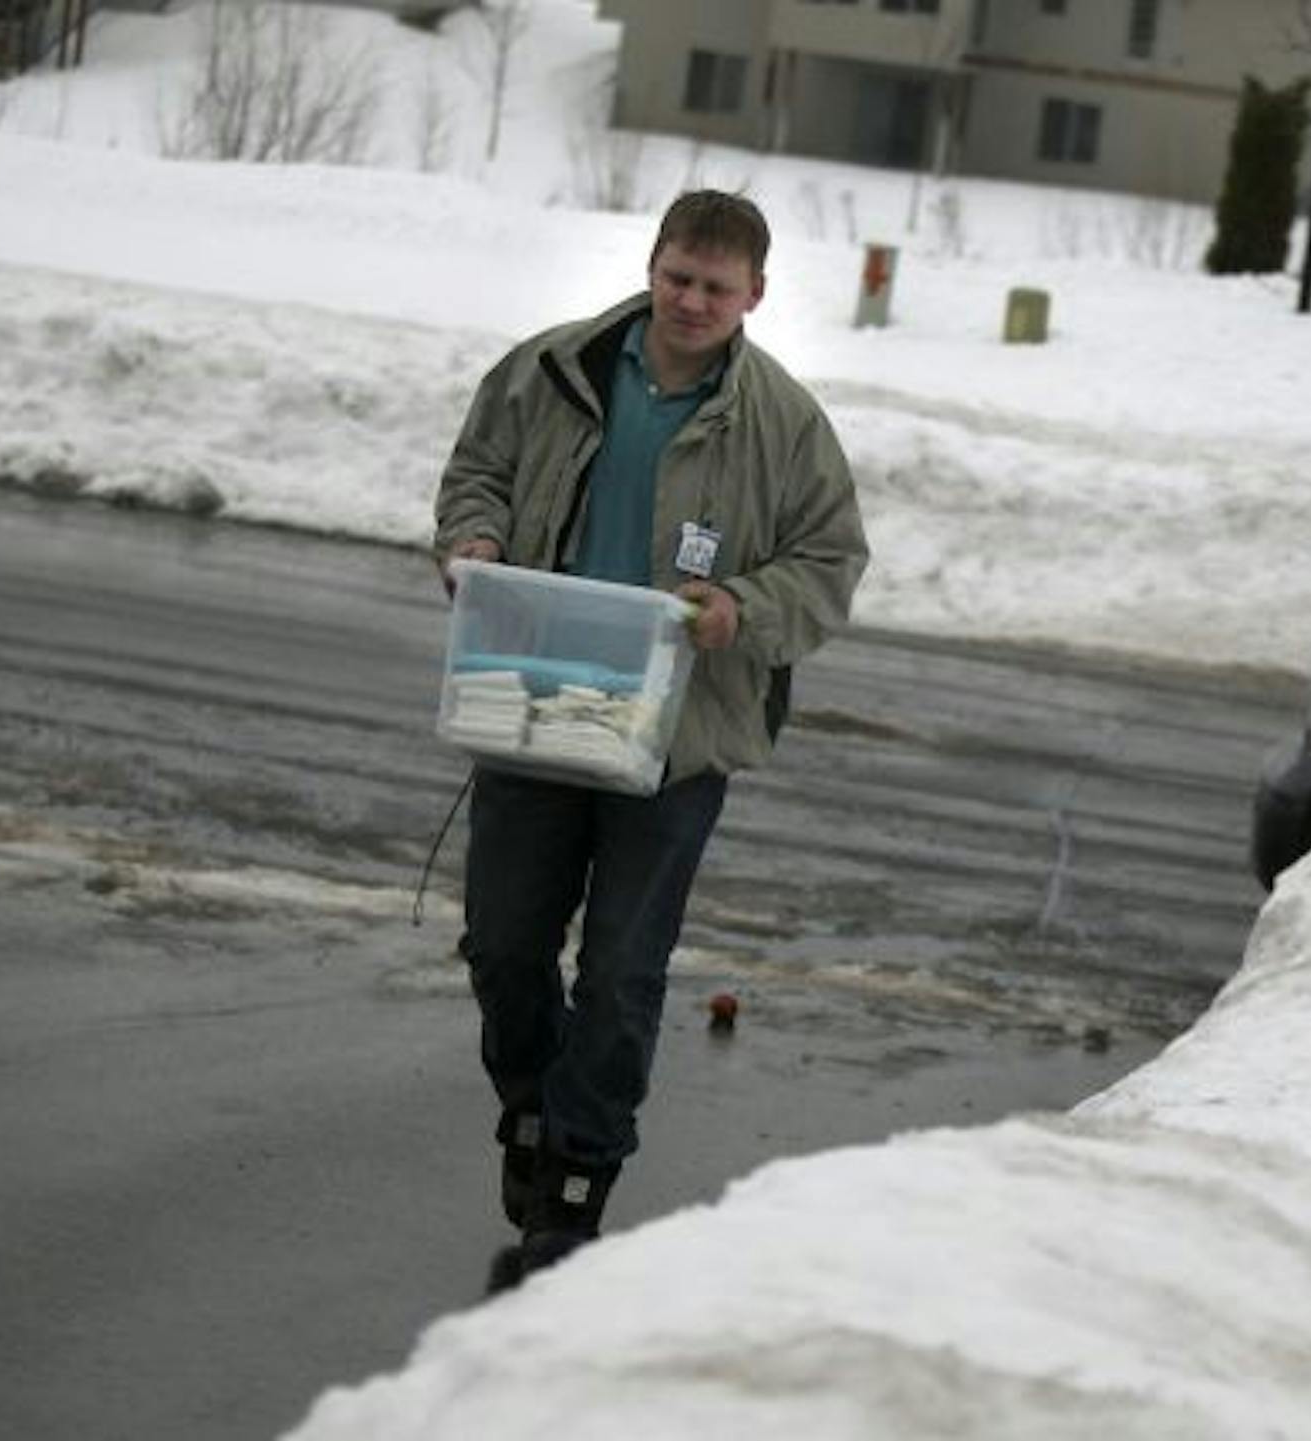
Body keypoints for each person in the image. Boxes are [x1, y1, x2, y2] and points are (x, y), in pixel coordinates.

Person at [433, 191, 869, 1289]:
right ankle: (533, 1105)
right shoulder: (549, 371)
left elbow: (828, 567)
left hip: (675, 734)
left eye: (717, 288)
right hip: (532, 695)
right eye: (679, 276)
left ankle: (577, 1173)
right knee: (503, 943)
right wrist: (472, 534)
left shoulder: (786, 426)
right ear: (653, 263)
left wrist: (738, 609)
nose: (691, 300)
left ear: (755, 297)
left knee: (622, 970)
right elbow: (476, 469)